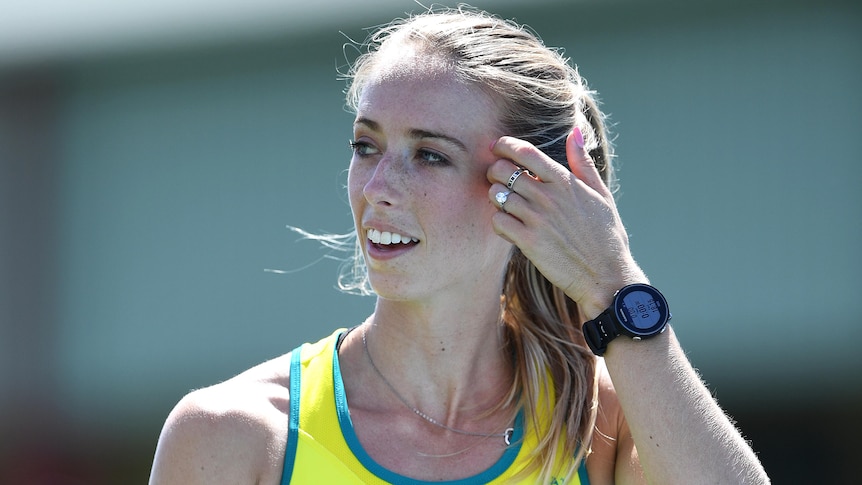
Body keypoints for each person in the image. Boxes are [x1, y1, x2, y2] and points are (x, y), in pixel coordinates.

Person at [149, 6, 769, 484]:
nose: (379, 188)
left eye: (429, 155)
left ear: (531, 188)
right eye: (366, 146)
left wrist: (612, 282)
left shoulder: (598, 428)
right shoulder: (235, 435)